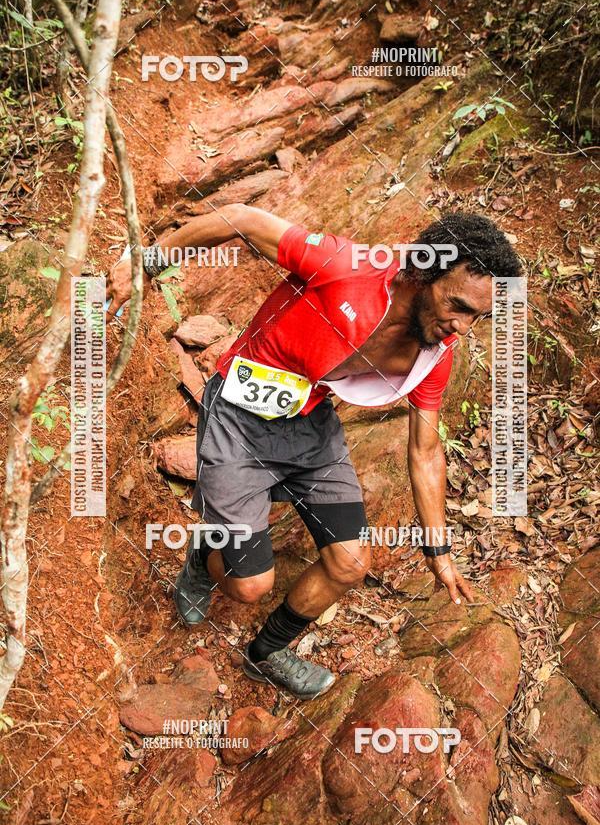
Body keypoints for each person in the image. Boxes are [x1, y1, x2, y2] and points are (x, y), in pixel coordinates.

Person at [107, 203, 521, 700]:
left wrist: (439, 550)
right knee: (248, 585)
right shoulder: (347, 268)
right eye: (457, 305)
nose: (463, 327)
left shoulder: (434, 354)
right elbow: (244, 218)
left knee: (350, 563)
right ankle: (205, 555)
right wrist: (144, 262)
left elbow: (426, 449)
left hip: (309, 425)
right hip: (238, 413)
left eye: (479, 316)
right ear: (424, 272)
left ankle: (267, 653)